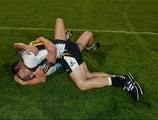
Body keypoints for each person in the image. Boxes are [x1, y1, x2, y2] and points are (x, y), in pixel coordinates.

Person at [13, 18, 143, 101]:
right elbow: (41, 73)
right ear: (31, 75)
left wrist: (37, 40)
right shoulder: (28, 60)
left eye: (22, 71)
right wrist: (30, 44)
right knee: (87, 75)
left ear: (20, 66)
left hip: (64, 50)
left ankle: (123, 82)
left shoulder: (28, 61)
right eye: (26, 75)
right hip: (63, 50)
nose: (24, 71)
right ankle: (123, 78)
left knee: (83, 84)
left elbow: (42, 76)